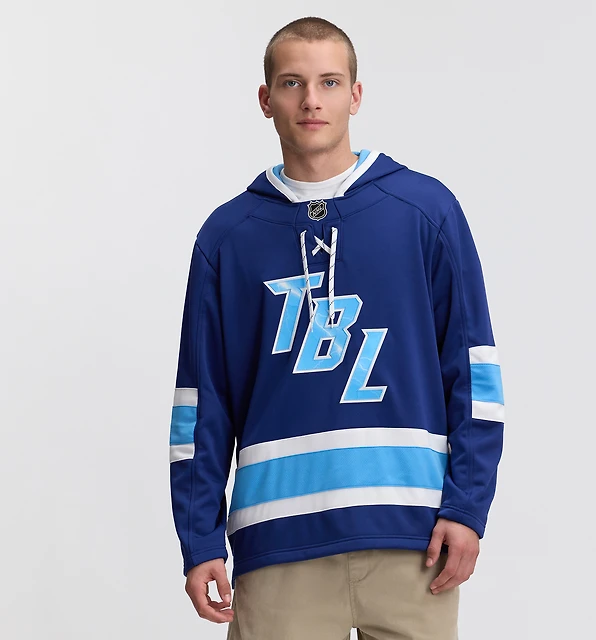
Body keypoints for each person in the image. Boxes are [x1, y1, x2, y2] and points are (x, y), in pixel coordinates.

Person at [168, 16, 505, 640]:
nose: (311, 100)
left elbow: (474, 372)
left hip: (412, 540)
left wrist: (467, 507)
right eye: (292, 83)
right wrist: (199, 538)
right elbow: (201, 402)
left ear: (356, 94)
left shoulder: (424, 211)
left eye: (328, 82)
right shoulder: (228, 237)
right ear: (266, 99)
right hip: (277, 545)